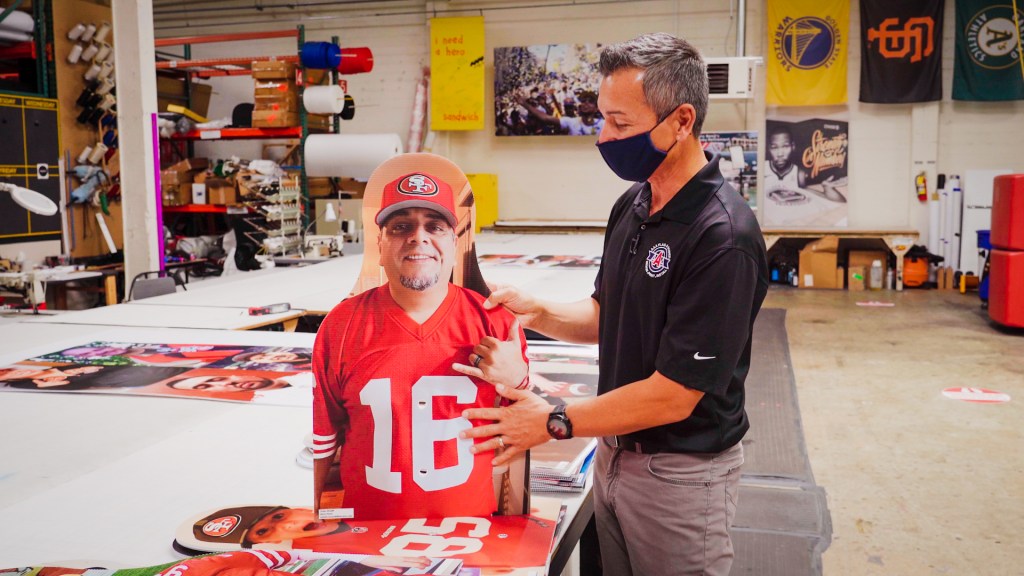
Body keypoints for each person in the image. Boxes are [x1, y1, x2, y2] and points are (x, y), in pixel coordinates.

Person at [459, 33, 769, 576]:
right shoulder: (635, 202)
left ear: (681, 120)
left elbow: (675, 395)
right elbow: (610, 315)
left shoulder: (723, 236)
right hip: (613, 454)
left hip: (681, 475)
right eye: (602, 118)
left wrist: (555, 421)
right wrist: (540, 312)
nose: (604, 137)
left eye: (621, 125)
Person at [312, 169, 530, 521]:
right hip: (366, 535)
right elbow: (325, 440)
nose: (419, 238)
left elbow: (528, 429)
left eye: (435, 226)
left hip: (468, 536)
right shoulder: (340, 326)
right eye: (401, 227)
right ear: (380, 243)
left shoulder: (497, 323)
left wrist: (518, 380)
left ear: (454, 242)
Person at [765, 127, 847, 203]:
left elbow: (840, 201)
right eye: (774, 147)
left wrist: (827, 187)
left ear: (793, 147)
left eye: (785, 146)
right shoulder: (762, 168)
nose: (780, 154)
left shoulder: (799, 174)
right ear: (769, 148)